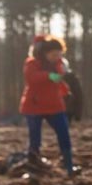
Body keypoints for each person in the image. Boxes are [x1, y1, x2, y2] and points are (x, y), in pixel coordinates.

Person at [20, 36, 77, 175]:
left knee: (64, 134)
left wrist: (66, 92)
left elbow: (61, 82)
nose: (56, 57)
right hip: (34, 106)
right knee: (35, 138)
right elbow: (31, 78)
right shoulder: (32, 63)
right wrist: (48, 75)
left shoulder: (60, 65)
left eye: (59, 54)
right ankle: (33, 166)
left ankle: (69, 166)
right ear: (44, 53)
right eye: (53, 54)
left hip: (55, 106)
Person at [62, 57, 84, 122]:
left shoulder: (72, 78)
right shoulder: (50, 77)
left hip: (68, 110)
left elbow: (79, 96)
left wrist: (78, 114)